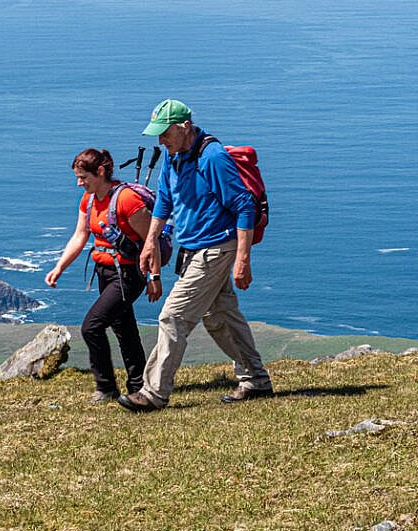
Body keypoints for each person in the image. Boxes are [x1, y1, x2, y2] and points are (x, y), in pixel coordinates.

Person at [118, 99, 273, 412]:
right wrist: (150, 243)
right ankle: (255, 379)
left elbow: (244, 206)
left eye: (165, 133)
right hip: (192, 249)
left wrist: (243, 259)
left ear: (185, 127)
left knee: (173, 316)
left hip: (216, 248)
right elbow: (163, 202)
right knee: (221, 318)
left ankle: (153, 393)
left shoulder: (212, 157)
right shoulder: (173, 159)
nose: (161, 140)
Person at [45, 148, 159, 403]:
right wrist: (59, 267)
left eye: (83, 177)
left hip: (129, 273)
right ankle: (138, 385)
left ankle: (106, 387)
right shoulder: (89, 200)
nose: (79, 183)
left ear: (100, 172)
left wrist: (154, 277)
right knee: (124, 329)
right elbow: (80, 235)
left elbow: (151, 241)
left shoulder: (127, 199)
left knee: (91, 327)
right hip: (105, 271)